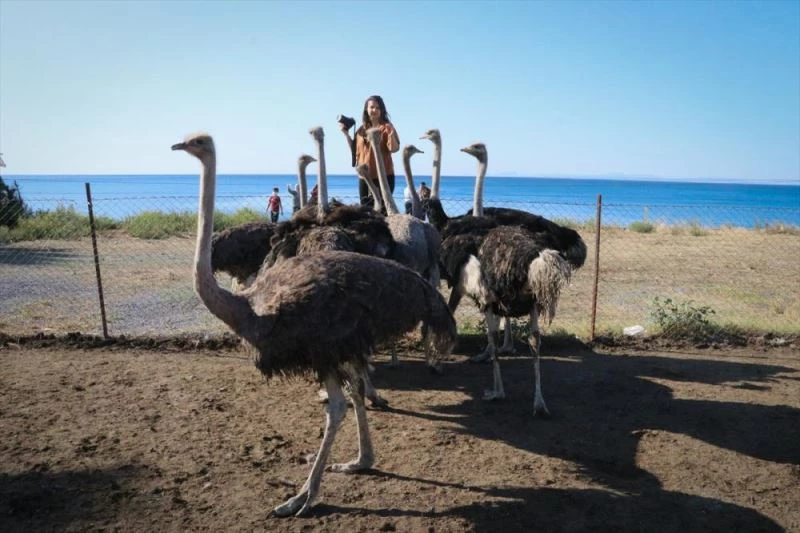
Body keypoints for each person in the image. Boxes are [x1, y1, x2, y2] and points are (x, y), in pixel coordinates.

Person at [339, 95, 400, 209]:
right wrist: (346, 133)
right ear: (366, 110)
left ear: (382, 110)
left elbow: (394, 149)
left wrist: (391, 132)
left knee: (383, 212)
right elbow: (354, 151)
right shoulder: (360, 130)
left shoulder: (386, 128)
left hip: (383, 177)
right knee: (366, 213)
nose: (375, 110)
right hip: (364, 178)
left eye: (378, 107)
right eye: (372, 107)